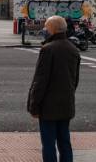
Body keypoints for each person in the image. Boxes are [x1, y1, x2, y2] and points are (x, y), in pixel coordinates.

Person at [27, 15, 80, 162]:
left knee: (49, 143)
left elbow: (40, 81)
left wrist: (34, 105)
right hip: (66, 104)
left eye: (46, 27)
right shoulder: (73, 49)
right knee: (65, 142)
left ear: (54, 30)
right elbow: (75, 80)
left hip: (48, 107)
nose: (45, 29)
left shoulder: (48, 49)